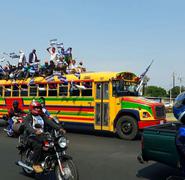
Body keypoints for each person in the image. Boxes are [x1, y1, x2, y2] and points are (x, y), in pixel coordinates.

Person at [23, 100, 65, 173]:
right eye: (36, 108)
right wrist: (34, 131)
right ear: (32, 108)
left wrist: (59, 128)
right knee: (38, 145)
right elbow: (27, 126)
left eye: (39, 108)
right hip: (30, 136)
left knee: (54, 143)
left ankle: (49, 160)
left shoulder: (42, 116)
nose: (38, 109)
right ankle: (35, 163)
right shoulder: (28, 117)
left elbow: (50, 122)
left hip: (41, 135)